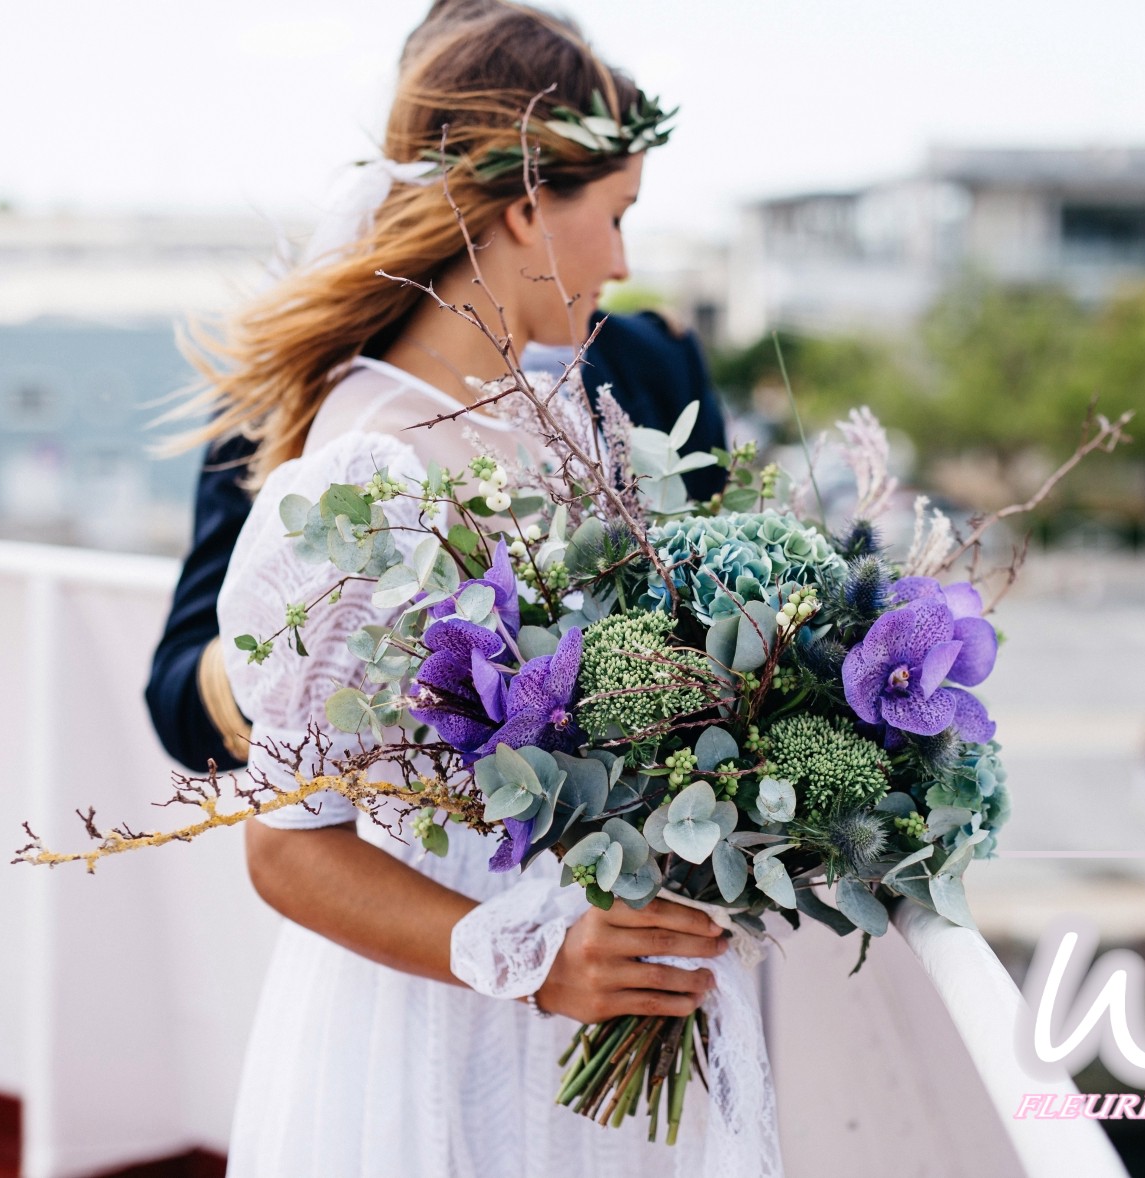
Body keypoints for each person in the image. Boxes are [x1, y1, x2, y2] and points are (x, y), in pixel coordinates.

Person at [175, 4, 779, 1174]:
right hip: (444, 1031)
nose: (623, 261)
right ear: (521, 211)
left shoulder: (567, 425)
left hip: (598, 1016)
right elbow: (288, 847)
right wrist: (534, 957)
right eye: (615, 215)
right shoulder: (367, 476)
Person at [144, 0, 725, 776]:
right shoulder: (307, 401)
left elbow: (714, 602)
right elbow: (187, 702)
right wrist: (326, 626)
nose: (619, 261)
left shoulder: (656, 363)